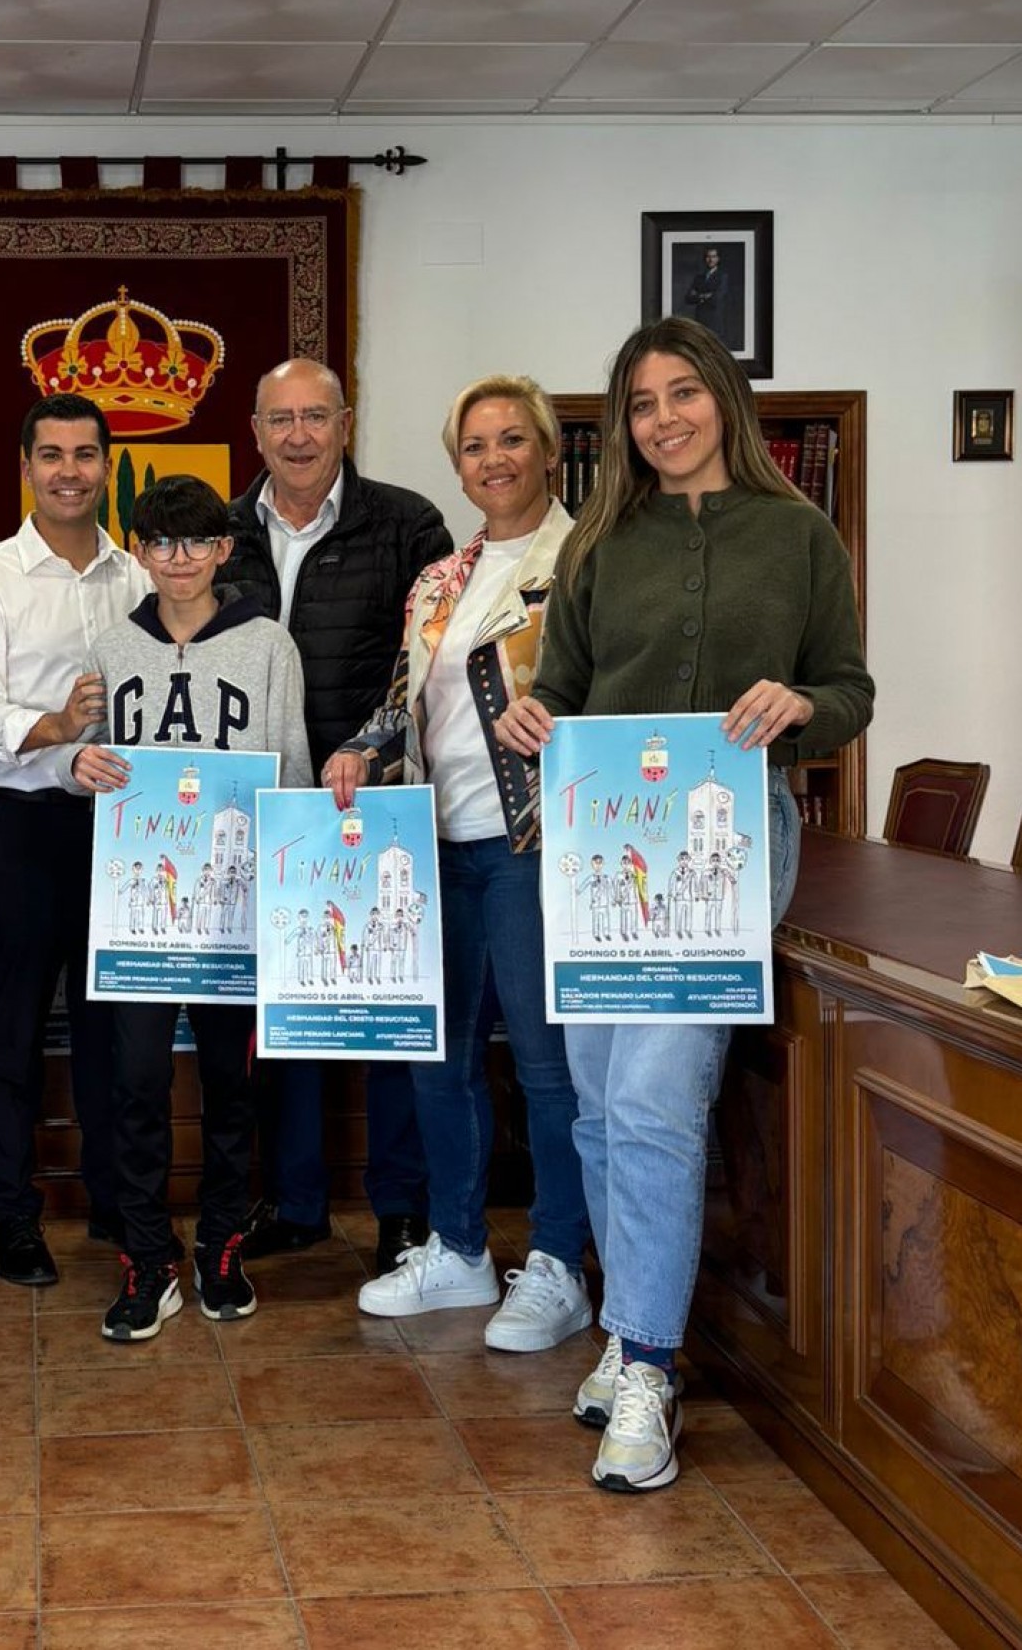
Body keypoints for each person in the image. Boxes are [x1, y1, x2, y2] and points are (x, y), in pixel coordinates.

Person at [496, 316, 874, 1491]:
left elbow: (849, 690)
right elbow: (558, 691)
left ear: (723, 399)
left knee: (657, 1095)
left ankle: (650, 1368)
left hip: (727, 839)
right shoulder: (600, 543)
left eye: (682, 393)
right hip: (603, 843)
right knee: (601, 1104)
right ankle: (625, 1332)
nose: (664, 418)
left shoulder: (799, 534)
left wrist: (801, 706)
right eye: (641, 402)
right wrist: (531, 717)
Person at [324, 375, 592, 1354]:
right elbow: (407, 697)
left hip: (534, 844)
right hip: (435, 844)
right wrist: (362, 747)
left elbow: (613, 688)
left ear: (549, 450)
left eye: (512, 439)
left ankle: (558, 1262)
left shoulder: (590, 559)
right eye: (474, 446)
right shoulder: (440, 577)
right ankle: (460, 1247)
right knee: (437, 1058)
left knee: (545, 1064)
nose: (493, 459)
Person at [65, 475, 311, 1340]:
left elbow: (292, 767)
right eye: (162, 543)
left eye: (197, 542)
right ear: (139, 552)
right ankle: (146, 1254)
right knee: (135, 1080)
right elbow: (87, 759)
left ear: (224, 550)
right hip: (138, 909)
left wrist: (287, 882)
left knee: (231, 1085)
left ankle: (221, 1245)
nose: (180, 559)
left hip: (235, 909)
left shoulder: (268, 645)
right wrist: (76, 764)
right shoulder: (110, 646)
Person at [225, 357, 453, 1277]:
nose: (298, 436)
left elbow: (423, 665)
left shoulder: (407, 524)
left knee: (389, 1012)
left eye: (315, 416)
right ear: (255, 431)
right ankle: (297, 1203)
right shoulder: (223, 532)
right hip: (268, 811)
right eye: (280, 419)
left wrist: (368, 747)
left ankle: (401, 1210)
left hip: (377, 803)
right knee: (288, 1013)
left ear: (345, 424)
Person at [0, 394, 150, 1286]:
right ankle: (12, 1217)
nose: (70, 471)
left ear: (107, 466)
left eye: (86, 454)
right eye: (53, 455)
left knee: (113, 1029)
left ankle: (115, 1200)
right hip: (23, 824)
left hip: (119, 827)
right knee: (16, 1025)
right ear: (26, 466)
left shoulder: (137, 577)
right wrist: (56, 727)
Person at [682, 246, 739, 348]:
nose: (711, 259)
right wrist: (705, 295)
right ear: (705, 259)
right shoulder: (699, 278)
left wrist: (698, 295)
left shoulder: (723, 277)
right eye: (708, 256)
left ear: (718, 259)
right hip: (700, 320)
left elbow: (716, 298)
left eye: (713, 256)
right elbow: (688, 298)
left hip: (715, 321)